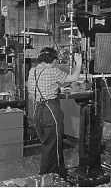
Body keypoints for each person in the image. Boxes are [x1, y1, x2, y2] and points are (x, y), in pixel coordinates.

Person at [27, 47, 82, 179]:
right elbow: (74, 77)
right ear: (53, 60)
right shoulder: (53, 71)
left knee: (47, 145)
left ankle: (53, 174)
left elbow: (32, 92)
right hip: (50, 111)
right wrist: (78, 63)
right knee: (54, 146)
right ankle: (51, 177)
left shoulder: (32, 71)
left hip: (37, 112)